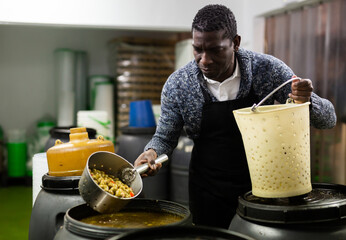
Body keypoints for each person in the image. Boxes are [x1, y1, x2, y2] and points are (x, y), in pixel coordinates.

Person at [134, 4, 337, 229]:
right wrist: (150, 153)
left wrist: (307, 101)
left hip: (265, 188)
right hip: (208, 190)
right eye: (198, 49)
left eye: (215, 50)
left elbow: (328, 119)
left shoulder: (267, 70)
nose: (204, 60)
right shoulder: (178, 85)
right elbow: (165, 138)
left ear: (236, 43)